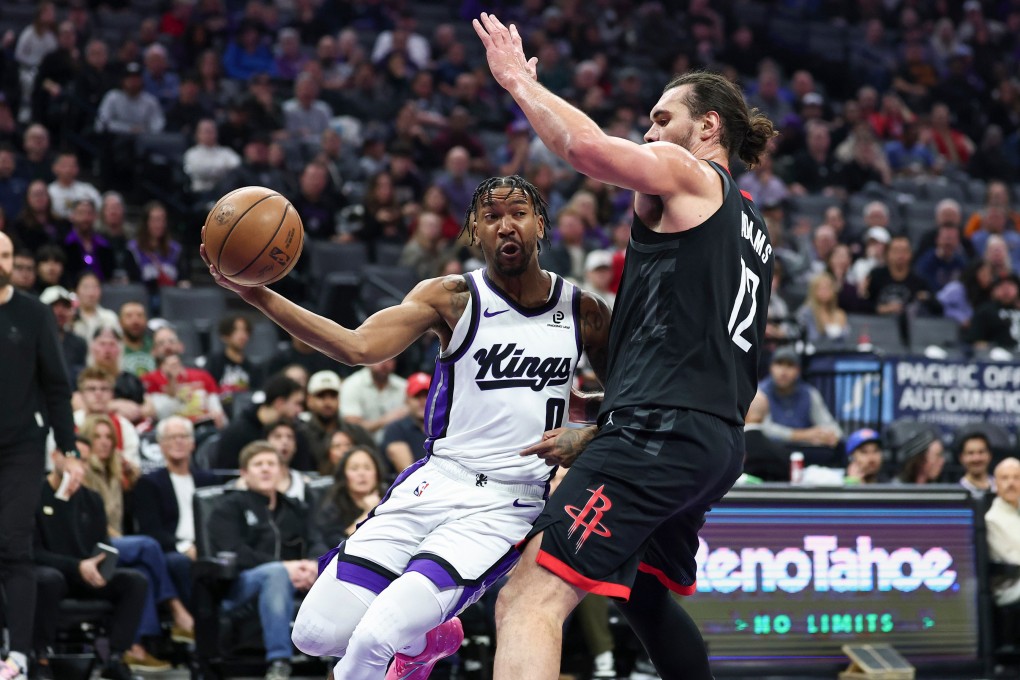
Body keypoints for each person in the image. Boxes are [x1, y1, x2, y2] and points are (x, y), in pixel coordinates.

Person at [200, 173, 610, 680]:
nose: (506, 225)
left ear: (541, 225)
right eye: (491, 217)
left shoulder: (584, 311)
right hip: (434, 481)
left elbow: (633, 398)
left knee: (374, 640)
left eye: (519, 214)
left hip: (505, 504)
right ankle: (430, 639)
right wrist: (259, 296)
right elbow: (356, 347)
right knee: (313, 635)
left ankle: (407, 642)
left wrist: (589, 430)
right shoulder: (452, 299)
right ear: (473, 232)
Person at [472, 14, 774, 680]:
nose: (651, 132)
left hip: (660, 432)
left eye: (664, 119)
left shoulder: (691, 175)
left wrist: (519, 81)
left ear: (709, 127)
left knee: (531, 593)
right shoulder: (753, 226)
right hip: (714, 440)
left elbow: (584, 149)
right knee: (643, 596)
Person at [0, 231, 85, 679]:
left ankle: (18, 656)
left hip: (21, 446)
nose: (2, 261)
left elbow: (56, 384)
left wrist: (68, 448)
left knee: (13, 545)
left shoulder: (32, 313)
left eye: (8, 254)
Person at [32, 445, 149, 680]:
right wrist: (76, 566)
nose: (78, 467)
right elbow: (33, 552)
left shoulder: (92, 499)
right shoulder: (34, 495)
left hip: (86, 574)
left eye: (84, 461)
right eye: (73, 459)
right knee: (48, 580)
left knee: (134, 581)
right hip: (54, 573)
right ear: (55, 458)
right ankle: (40, 658)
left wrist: (101, 566)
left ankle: (115, 658)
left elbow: (103, 544)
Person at [207, 442, 319, 680]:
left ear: (281, 471)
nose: (266, 469)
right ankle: (279, 661)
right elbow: (234, 551)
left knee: (332, 568)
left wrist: (312, 565)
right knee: (275, 573)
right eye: (258, 465)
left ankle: (340, 659)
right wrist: (286, 568)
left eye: (271, 464)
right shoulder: (227, 508)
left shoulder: (295, 508)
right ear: (244, 473)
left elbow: (316, 540)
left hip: (291, 582)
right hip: (238, 587)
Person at [759, 347, 843, 449]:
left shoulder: (809, 393)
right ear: (771, 367)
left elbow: (829, 425)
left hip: (803, 451)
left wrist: (832, 436)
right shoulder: (760, 393)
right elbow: (763, 429)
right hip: (771, 451)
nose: (783, 371)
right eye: (779, 364)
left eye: (790, 365)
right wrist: (803, 435)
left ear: (798, 371)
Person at [311, 447, 386, 554]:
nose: (362, 473)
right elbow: (338, 547)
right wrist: (367, 513)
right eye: (354, 469)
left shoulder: (390, 502)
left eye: (367, 468)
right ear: (344, 476)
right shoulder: (332, 506)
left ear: (377, 474)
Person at [379, 371, 430, 474]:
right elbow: (407, 471)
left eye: (427, 396)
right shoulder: (395, 429)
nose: (423, 402)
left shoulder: (446, 427)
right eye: (417, 396)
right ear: (407, 400)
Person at [986, 458, 1020, 607]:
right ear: (995, 484)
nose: (1011, 483)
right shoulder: (991, 519)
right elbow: (1014, 558)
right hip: (1009, 587)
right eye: (1005, 478)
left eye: (1016, 477)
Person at [957, 433, 996, 504]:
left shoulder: (1000, 489)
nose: (976, 459)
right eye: (970, 453)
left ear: (989, 455)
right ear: (961, 458)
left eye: (981, 452)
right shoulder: (956, 493)